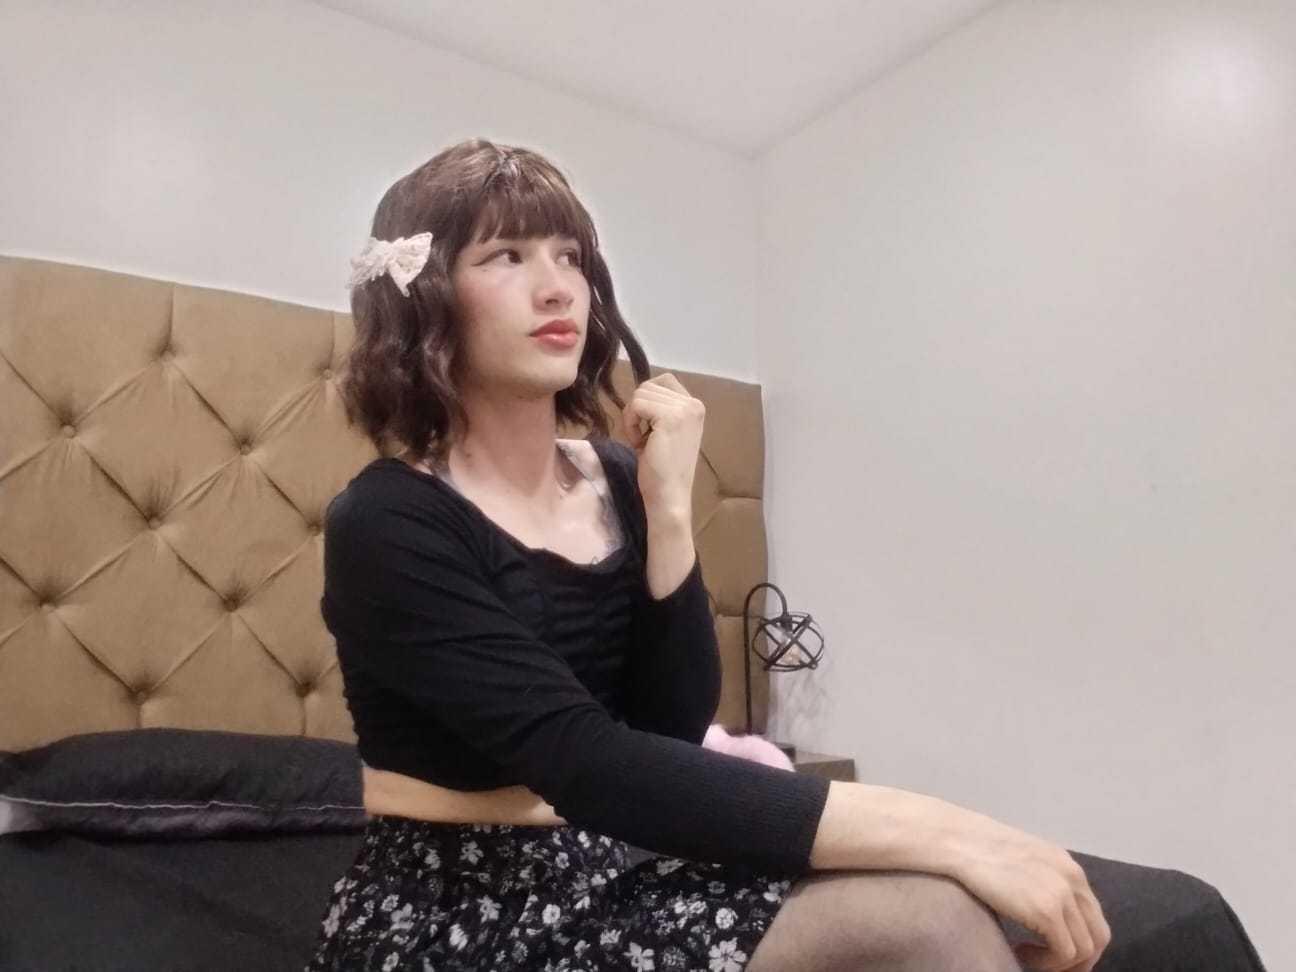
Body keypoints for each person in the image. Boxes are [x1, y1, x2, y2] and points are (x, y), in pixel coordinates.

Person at [305, 138, 1268, 971]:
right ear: (426, 299)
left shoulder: (612, 475)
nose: (559, 286)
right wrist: (953, 828)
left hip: (620, 850)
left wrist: (667, 506)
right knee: (929, 914)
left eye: (570, 256)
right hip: (465, 900)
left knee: (954, 903)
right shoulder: (388, 523)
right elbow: (590, 761)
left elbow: (671, 726)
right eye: (506, 255)